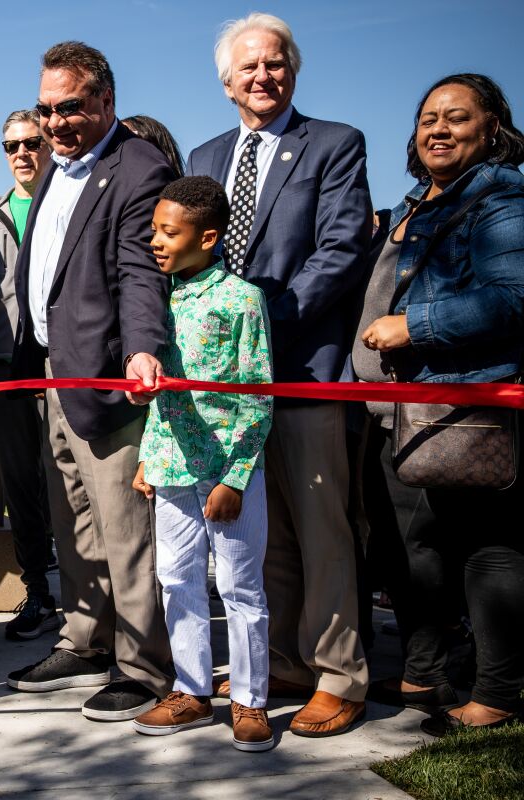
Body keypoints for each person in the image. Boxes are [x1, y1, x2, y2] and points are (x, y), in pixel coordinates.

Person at [187, 12, 372, 737]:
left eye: (276, 63)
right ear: (226, 79)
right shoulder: (204, 155)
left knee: (322, 527)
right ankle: (288, 661)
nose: (264, 76)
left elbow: (340, 250)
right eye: (249, 66)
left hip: (302, 369)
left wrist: (253, 322)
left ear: (291, 71)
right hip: (227, 392)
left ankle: (340, 673)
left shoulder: (333, 144)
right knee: (265, 535)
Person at [5, 41, 175, 723]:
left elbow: (139, 272)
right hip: (52, 369)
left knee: (124, 526)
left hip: (108, 375)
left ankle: (142, 667)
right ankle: (84, 638)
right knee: (73, 519)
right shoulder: (57, 165)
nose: (55, 122)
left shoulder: (138, 167)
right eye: (47, 110)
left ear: (106, 99)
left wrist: (140, 352)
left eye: (69, 107)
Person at [359, 73, 524, 735]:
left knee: (490, 550)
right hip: (404, 410)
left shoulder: (501, 197)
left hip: (472, 406)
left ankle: (498, 691)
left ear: (493, 129)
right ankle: (422, 673)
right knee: (412, 547)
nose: (438, 129)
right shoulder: (416, 204)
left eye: (457, 118)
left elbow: (513, 299)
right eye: (429, 118)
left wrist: (413, 325)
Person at [128, 176, 275, 752]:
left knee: (239, 587)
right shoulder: (156, 301)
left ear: (208, 236)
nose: (156, 241)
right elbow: (158, 393)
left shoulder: (242, 298)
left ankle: (250, 699)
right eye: (155, 230)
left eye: (170, 231)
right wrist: (147, 457)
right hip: (170, 466)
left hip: (226, 470)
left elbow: (258, 394)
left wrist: (236, 477)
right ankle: (191, 690)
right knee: (177, 579)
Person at [0, 108, 60, 640]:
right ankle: (39, 594)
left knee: (70, 485)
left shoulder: (72, 204)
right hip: (4, 371)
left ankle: (92, 597)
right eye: (11, 146)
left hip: (64, 367)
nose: (22, 154)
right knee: (20, 487)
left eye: (31, 142)